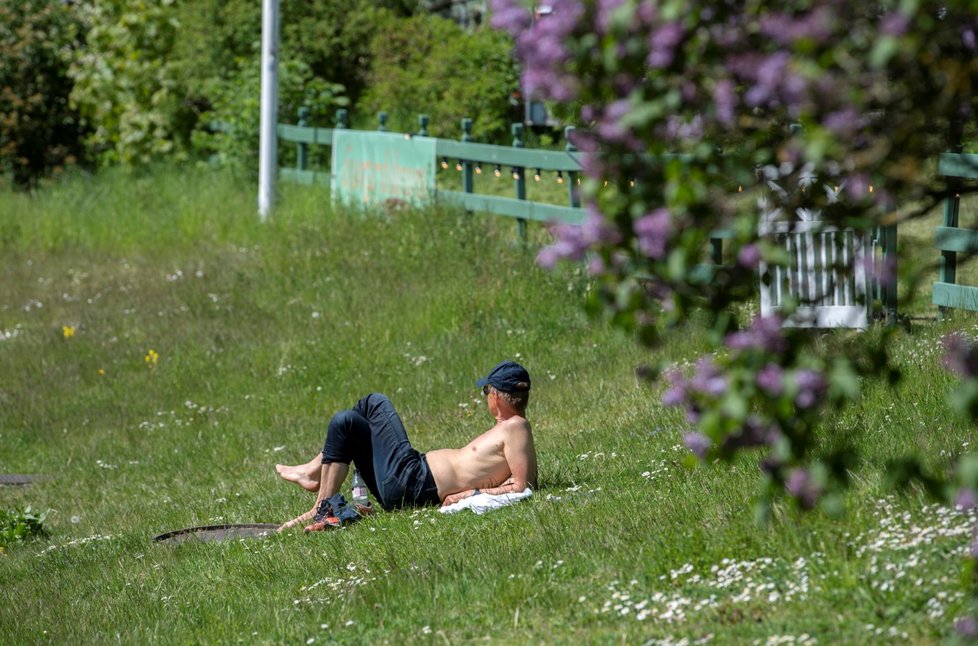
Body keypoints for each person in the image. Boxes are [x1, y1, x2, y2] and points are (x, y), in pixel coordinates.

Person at [276, 360, 537, 531]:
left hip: (414, 480)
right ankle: (322, 505)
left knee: (374, 402)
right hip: (407, 481)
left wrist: (467, 495)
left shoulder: (516, 426)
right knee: (347, 423)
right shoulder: (511, 429)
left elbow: (522, 486)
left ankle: (313, 477)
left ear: (496, 396)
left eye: (486, 392)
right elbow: (517, 482)